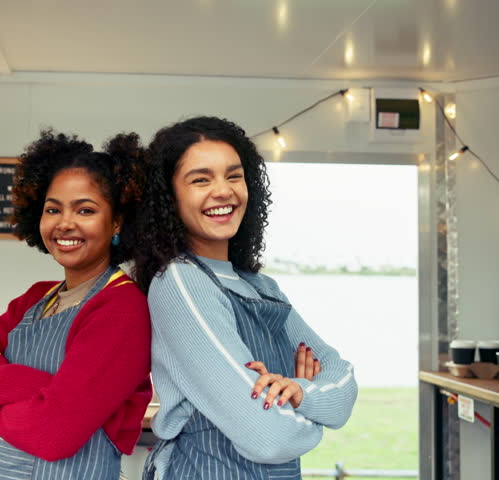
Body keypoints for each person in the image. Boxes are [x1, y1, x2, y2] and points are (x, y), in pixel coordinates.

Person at [135, 116, 358, 479]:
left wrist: (299, 393)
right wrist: (313, 417)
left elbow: (343, 379)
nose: (223, 191)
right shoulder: (181, 282)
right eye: (201, 179)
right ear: (169, 197)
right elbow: (269, 437)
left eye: (234, 176)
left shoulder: (261, 287)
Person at [0, 130, 152, 479]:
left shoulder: (123, 309)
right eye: (53, 209)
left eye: (85, 210)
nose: (64, 223)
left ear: (117, 222)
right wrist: (44, 391)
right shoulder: (34, 297)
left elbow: (53, 434)